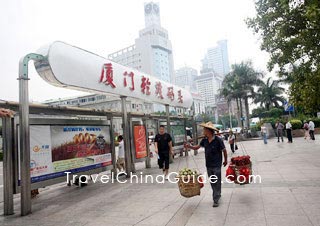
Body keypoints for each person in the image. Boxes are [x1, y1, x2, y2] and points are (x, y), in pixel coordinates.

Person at [186, 122, 227, 207]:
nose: (203, 131)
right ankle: (217, 194)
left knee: (217, 181)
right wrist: (189, 147)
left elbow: (224, 150)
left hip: (217, 164)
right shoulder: (204, 140)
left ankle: (216, 199)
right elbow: (197, 147)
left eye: (205, 129)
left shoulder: (218, 140)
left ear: (209, 131)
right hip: (208, 165)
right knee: (212, 182)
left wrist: (225, 160)